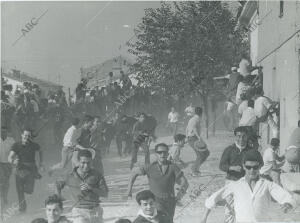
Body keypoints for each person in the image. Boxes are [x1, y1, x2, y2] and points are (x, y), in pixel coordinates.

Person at [201, 150, 296, 223]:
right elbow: (213, 199)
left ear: (260, 166)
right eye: (248, 167)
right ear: (243, 166)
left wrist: (288, 204)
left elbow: (286, 197)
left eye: (255, 167)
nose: (252, 170)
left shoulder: (267, 185)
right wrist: (204, 218)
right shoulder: (235, 185)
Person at [127, 143, 189, 223]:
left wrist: (180, 195)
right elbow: (133, 174)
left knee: (169, 221)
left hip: (170, 202)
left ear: (168, 153)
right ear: (156, 154)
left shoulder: (173, 167)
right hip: (155, 201)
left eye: (164, 152)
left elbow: (185, 183)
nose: (162, 154)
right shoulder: (150, 166)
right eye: (160, 152)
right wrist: (129, 191)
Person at [56, 150, 108, 223]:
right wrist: (58, 197)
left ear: (91, 162)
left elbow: (105, 194)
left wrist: (91, 188)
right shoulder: (69, 175)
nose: (86, 166)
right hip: (79, 211)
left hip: (95, 210)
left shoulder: (97, 175)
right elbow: (58, 184)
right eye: (83, 163)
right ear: (78, 161)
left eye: (88, 163)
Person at [219, 126, 252, 223]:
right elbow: (221, 165)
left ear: (247, 137)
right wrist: (231, 168)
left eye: (244, 136)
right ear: (235, 137)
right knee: (229, 209)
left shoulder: (251, 151)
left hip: (246, 183)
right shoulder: (229, 149)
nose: (241, 139)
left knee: (244, 209)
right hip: (231, 182)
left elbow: (260, 164)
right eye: (239, 136)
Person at [8, 129, 44, 213]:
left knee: (29, 190)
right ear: (22, 135)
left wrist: (41, 162)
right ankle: (22, 208)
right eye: (25, 135)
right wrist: (13, 161)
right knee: (20, 191)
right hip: (19, 169)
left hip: (31, 169)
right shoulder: (16, 145)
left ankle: (24, 191)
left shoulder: (34, 145)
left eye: (28, 136)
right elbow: (10, 157)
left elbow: (41, 150)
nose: (26, 137)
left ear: (30, 137)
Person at [186, 107, 210, 176]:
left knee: (206, 153)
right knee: (201, 155)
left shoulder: (194, 119)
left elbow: (187, 128)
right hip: (193, 138)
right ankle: (194, 170)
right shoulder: (195, 119)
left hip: (193, 138)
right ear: (201, 113)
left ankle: (195, 168)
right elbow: (194, 128)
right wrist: (198, 137)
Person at [0, 126, 15, 206]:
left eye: (5, 131)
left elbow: (15, 151)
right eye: (1, 131)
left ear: (7, 132)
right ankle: (2, 195)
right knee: (2, 179)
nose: (3, 133)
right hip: (0, 164)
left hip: (8, 164)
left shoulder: (11, 140)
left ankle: (5, 196)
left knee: (6, 182)